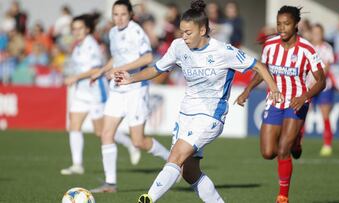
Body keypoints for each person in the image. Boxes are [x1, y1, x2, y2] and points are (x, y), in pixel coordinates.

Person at [114, 1, 282, 202]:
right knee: (188, 171)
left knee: (175, 156)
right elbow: (156, 68)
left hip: (211, 115)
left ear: (202, 30)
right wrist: (131, 78)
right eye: (182, 32)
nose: (184, 37)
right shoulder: (178, 46)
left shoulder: (223, 51)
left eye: (188, 33)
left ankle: (148, 199)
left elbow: (259, 66)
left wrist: (274, 89)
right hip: (186, 114)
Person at [235, 6, 326, 203]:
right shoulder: (270, 45)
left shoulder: (307, 49)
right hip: (275, 100)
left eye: (286, 24)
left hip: (297, 102)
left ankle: (283, 196)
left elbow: (321, 81)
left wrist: (304, 97)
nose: (282, 28)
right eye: (279, 24)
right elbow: (263, 70)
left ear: (295, 25)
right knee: (268, 153)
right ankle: (296, 140)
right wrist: (247, 90)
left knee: (283, 150)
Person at [90, 0, 170, 193]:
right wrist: (101, 71)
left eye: (123, 14)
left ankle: (172, 160)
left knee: (138, 141)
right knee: (106, 133)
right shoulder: (112, 32)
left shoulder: (136, 31)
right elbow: (116, 58)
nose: (119, 18)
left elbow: (147, 58)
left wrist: (120, 69)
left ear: (130, 15)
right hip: (117, 89)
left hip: (135, 89)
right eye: (115, 14)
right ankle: (110, 184)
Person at [61, 14, 141, 176]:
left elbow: (97, 69)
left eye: (80, 28)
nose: (76, 31)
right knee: (74, 125)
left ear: (87, 29)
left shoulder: (91, 46)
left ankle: (130, 143)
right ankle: (77, 164)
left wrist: (75, 77)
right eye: (74, 29)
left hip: (96, 92)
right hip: (81, 92)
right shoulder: (77, 47)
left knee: (101, 132)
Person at [309, 24, 336, 156]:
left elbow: (327, 67)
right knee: (301, 114)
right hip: (309, 86)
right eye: (314, 32)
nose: (316, 35)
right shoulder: (307, 47)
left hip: (324, 86)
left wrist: (317, 79)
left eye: (318, 32)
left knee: (325, 115)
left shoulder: (327, 48)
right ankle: (297, 143)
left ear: (322, 33)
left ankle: (327, 144)